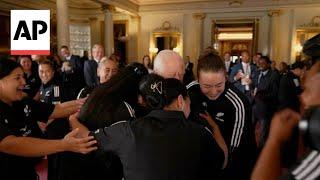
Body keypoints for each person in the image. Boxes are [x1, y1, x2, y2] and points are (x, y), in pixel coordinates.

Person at [78, 74, 226, 180]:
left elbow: (88, 140)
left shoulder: (129, 130)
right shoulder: (200, 134)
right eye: (189, 103)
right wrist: (215, 128)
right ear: (180, 101)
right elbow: (222, 161)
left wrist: (73, 120)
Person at [0, 58, 97, 180]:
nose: (24, 82)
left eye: (23, 77)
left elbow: (56, 109)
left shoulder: (21, 101)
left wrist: (87, 102)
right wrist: (63, 144)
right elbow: (10, 144)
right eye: (17, 78)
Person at [64, 63, 148, 180]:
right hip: (103, 164)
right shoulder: (126, 108)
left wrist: (72, 120)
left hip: (81, 161)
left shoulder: (95, 94)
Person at [187, 51, 257, 180]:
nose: (213, 92)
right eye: (206, 86)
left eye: (219, 85)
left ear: (225, 77)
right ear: (198, 79)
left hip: (232, 166)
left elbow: (235, 150)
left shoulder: (238, 103)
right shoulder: (190, 90)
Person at [252, 56, 280, 148]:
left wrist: (261, 96)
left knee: (263, 132)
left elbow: (275, 93)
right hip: (254, 106)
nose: (261, 65)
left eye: (263, 63)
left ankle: (261, 152)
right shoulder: (257, 73)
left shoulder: (274, 75)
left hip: (265, 108)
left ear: (268, 64)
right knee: (250, 128)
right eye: (259, 63)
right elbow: (255, 85)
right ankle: (250, 147)